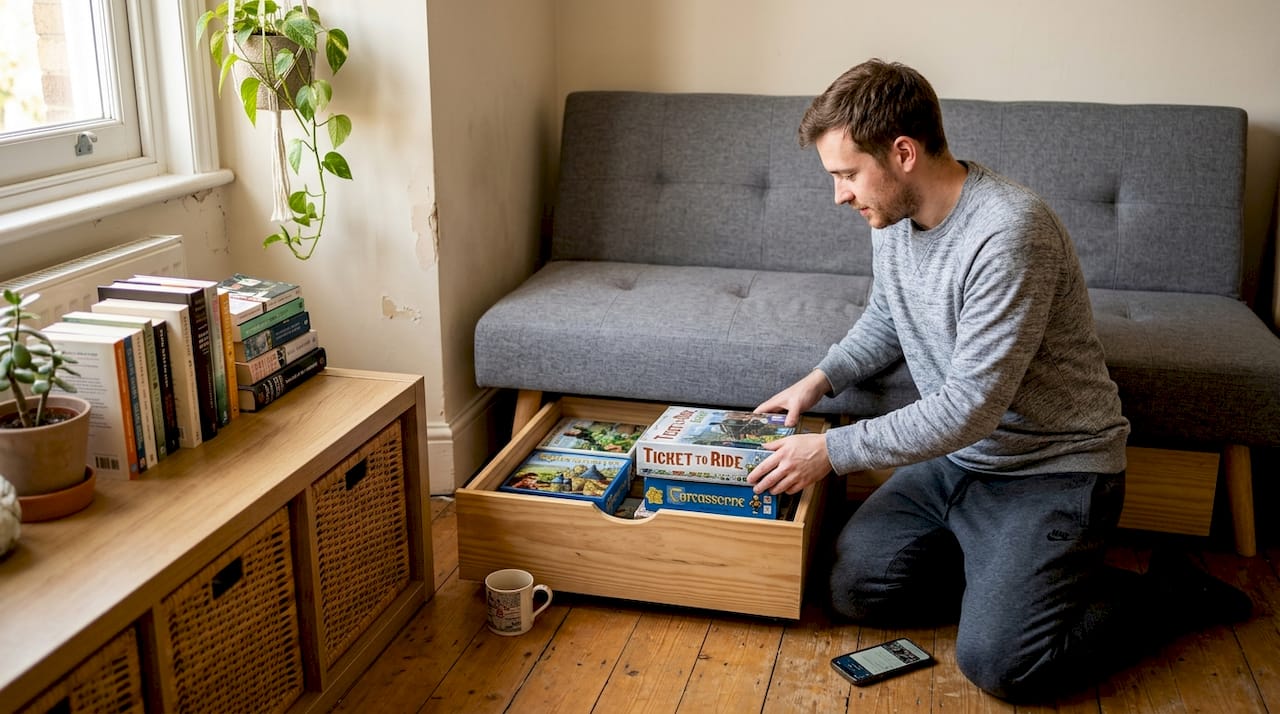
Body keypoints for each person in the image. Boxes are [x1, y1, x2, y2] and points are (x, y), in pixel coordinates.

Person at [745, 59, 1251, 701]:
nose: (840, 194)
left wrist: (831, 452)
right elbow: (889, 312)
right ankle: (1014, 578)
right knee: (855, 588)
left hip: (1052, 470)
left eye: (847, 174)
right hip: (961, 464)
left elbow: (968, 409)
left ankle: (1167, 593)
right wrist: (819, 380)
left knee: (1005, 666)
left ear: (902, 153)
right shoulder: (893, 217)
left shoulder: (1009, 232)